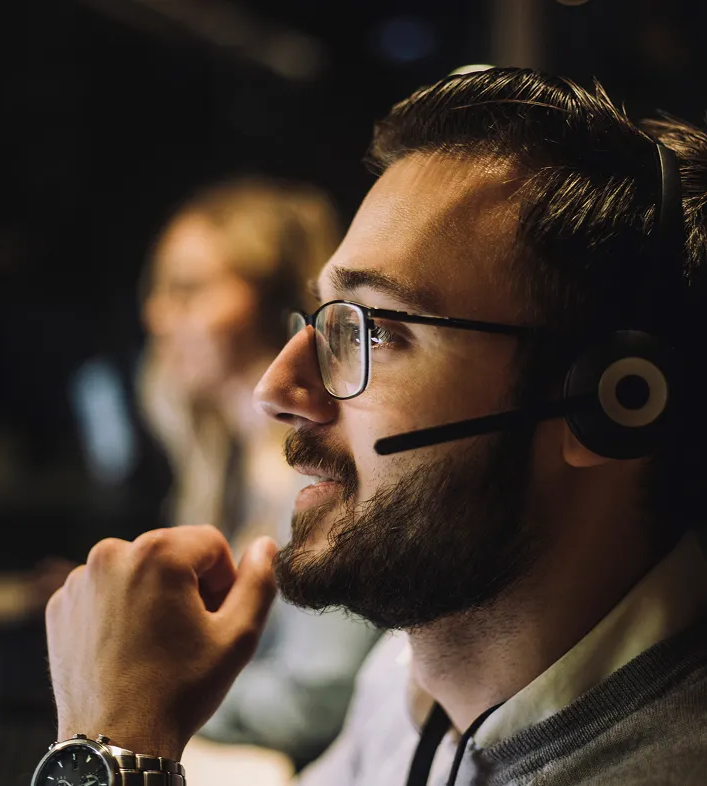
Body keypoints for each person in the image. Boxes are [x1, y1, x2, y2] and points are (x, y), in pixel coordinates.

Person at [39, 66, 707, 786]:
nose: (279, 390)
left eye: (375, 332)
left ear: (610, 402)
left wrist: (112, 746)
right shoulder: (409, 684)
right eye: (327, 321)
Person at [136, 176, 380, 768]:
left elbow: (312, 699)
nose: (158, 314)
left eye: (188, 290)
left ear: (278, 308)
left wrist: (143, 683)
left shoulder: (315, 476)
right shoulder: (218, 466)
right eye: (159, 289)